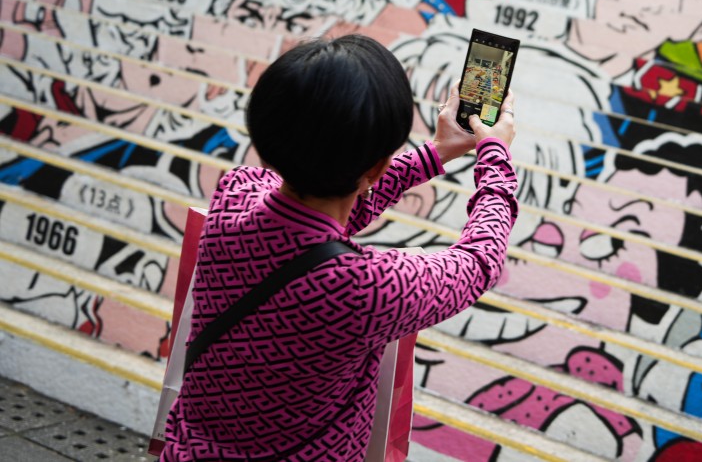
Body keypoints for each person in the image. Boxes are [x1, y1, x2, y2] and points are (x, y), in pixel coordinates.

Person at [160, 34, 518, 461]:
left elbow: (325, 207)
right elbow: (479, 261)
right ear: (375, 164)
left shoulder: (236, 193)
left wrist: (437, 153)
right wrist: (495, 156)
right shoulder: (367, 289)